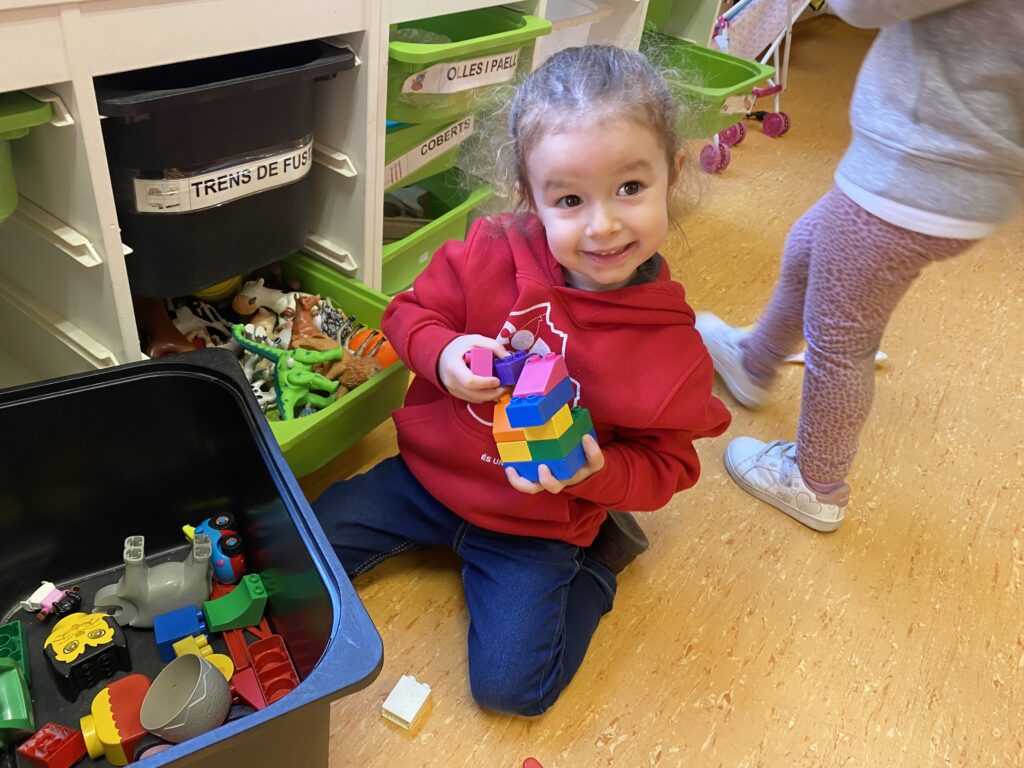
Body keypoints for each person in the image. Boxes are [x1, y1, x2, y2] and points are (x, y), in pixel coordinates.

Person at [312, 45, 731, 716]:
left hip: (538, 526)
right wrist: (444, 354)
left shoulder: (672, 351)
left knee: (513, 690)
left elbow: (669, 465)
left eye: (630, 187)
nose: (603, 225)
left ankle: (598, 563)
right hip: (427, 481)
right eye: (569, 199)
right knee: (302, 547)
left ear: (673, 173)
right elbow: (407, 313)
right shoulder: (487, 250)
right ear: (527, 194)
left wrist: (596, 476)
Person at [696, 0, 1023, 532]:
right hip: (958, 173)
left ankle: (815, 483)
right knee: (808, 248)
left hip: (913, 172)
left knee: (841, 342)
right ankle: (755, 362)